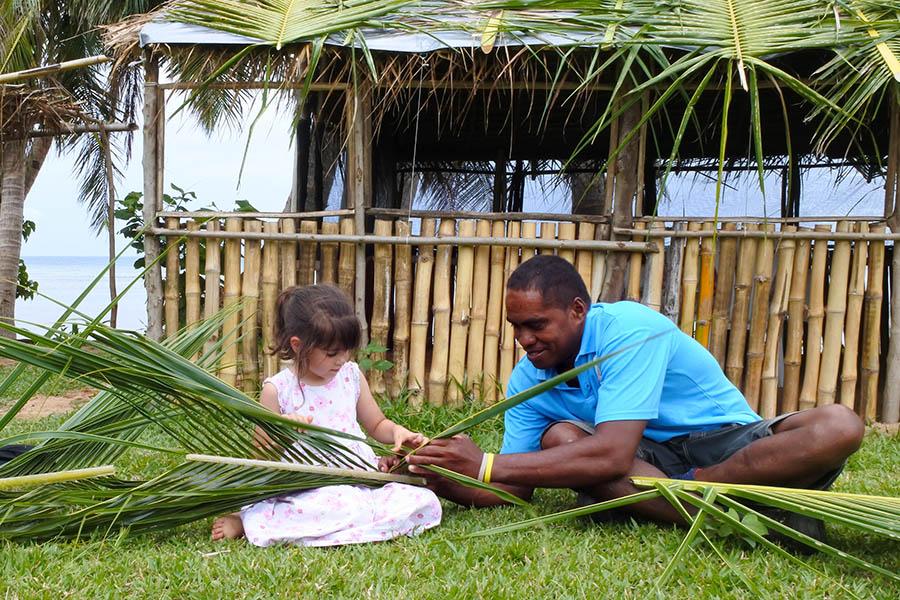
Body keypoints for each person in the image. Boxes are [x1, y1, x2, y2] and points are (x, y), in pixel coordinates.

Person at [407, 255, 864, 525]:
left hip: (722, 445)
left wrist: (486, 462)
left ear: (578, 310)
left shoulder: (629, 328)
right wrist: (440, 473)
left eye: (536, 325)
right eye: (516, 327)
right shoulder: (528, 379)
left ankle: (691, 499)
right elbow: (516, 488)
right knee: (559, 439)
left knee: (838, 425)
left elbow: (610, 457)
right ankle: (732, 510)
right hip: (649, 463)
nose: (524, 340)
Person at [212, 284, 441, 546]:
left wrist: (398, 432)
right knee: (339, 506)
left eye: (346, 350)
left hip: (360, 480)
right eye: (332, 353)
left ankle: (353, 520)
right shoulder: (278, 389)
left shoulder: (351, 376)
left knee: (423, 500)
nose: (341, 359)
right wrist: (283, 431)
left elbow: (377, 424)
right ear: (298, 346)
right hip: (309, 488)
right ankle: (250, 519)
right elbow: (261, 454)